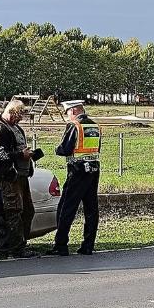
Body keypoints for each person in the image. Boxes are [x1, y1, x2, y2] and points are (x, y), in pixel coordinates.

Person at [48, 100, 101, 256]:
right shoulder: (94, 126)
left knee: (66, 207)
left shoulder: (75, 126)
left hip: (77, 170)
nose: (67, 117)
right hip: (93, 169)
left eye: (68, 113)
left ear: (74, 111)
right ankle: (88, 245)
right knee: (91, 209)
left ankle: (61, 245)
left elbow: (65, 149)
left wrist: (56, 149)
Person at [0, 99, 37, 258]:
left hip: (21, 175)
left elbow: (17, 149)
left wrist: (29, 157)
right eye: (18, 117)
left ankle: (22, 245)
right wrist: (21, 155)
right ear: (11, 112)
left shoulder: (16, 128)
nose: (19, 120)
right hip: (9, 177)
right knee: (14, 211)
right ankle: (16, 249)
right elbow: (0, 157)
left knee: (28, 211)